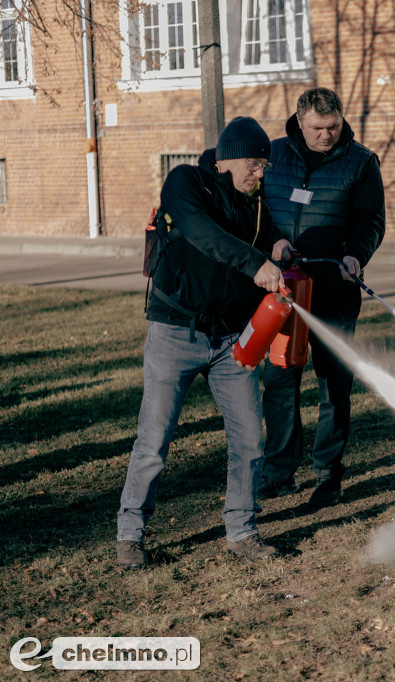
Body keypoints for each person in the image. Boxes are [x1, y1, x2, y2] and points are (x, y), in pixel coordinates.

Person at [116, 116, 295, 569]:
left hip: (231, 339)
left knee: (251, 440)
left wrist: (279, 247)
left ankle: (242, 529)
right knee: (154, 438)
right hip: (175, 332)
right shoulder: (186, 182)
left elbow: (267, 235)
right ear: (228, 158)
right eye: (256, 163)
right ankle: (130, 534)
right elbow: (203, 234)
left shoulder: (255, 205)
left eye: (264, 165)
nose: (261, 172)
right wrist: (255, 262)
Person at [258, 87, 386, 508]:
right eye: (317, 128)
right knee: (279, 380)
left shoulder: (361, 162)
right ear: (299, 120)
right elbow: (255, 212)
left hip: (335, 291)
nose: (326, 136)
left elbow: (371, 220)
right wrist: (273, 243)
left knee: (333, 383)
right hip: (284, 289)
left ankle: (328, 474)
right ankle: (279, 471)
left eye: (332, 127)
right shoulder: (272, 156)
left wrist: (355, 254)